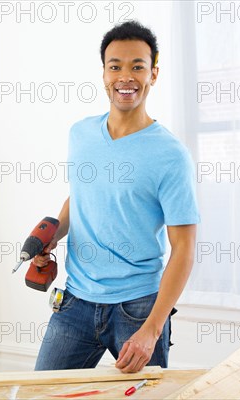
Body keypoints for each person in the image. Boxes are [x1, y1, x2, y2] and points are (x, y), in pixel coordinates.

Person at [33, 20, 200, 373]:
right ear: (104, 74)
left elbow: (184, 248)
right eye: (116, 66)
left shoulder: (170, 154)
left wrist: (152, 329)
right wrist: (51, 235)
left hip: (138, 308)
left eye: (137, 66)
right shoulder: (80, 134)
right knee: (44, 393)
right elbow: (79, 199)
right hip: (75, 302)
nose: (126, 76)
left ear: (153, 74)